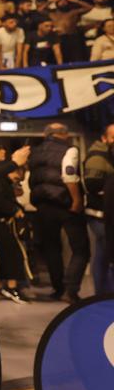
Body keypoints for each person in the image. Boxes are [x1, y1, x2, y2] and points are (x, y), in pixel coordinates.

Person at [29, 123, 89, 302]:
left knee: (52, 248)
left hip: (43, 206)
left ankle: (58, 289)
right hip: (66, 204)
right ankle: (70, 290)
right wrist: (77, 200)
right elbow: (69, 174)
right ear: (64, 134)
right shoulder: (69, 150)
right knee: (81, 249)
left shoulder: (36, 151)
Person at [0, 165, 33, 303]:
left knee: (8, 255)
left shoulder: (1, 182)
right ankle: (11, 287)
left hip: (0, 223)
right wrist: (13, 209)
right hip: (2, 224)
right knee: (13, 254)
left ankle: (4, 287)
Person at [83, 124, 114, 295]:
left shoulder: (107, 155)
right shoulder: (98, 156)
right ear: (104, 138)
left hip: (105, 213)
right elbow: (92, 185)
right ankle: (103, 294)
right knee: (104, 253)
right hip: (99, 214)